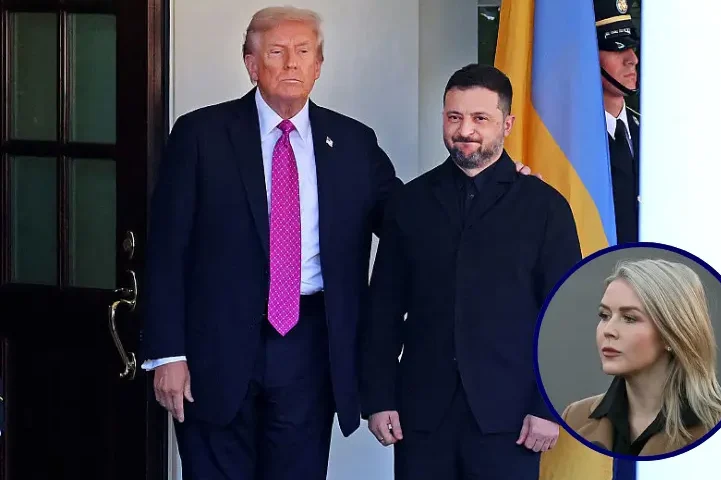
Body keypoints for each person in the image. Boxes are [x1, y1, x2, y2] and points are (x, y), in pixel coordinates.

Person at [139, 7, 533, 479]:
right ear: (250, 63)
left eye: (303, 52)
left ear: (319, 66)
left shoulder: (352, 142)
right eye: (277, 52)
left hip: (311, 345)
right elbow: (164, 251)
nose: (291, 64)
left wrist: (501, 190)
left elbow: (413, 221)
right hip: (213, 350)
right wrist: (168, 354)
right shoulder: (200, 135)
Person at [359, 64, 583, 480]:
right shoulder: (410, 203)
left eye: (481, 118)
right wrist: (378, 397)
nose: (466, 130)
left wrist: (547, 407)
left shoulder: (545, 207)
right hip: (421, 416)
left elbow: (567, 314)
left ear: (507, 124)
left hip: (513, 419)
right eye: (454, 117)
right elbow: (383, 310)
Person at [561, 258, 721, 457]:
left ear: (672, 333)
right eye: (604, 315)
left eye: (630, 318)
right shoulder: (575, 416)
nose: (608, 330)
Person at [594, 0, 640, 244]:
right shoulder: (568, 143)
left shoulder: (651, 134)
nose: (632, 59)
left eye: (631, 47)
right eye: (617, 48)